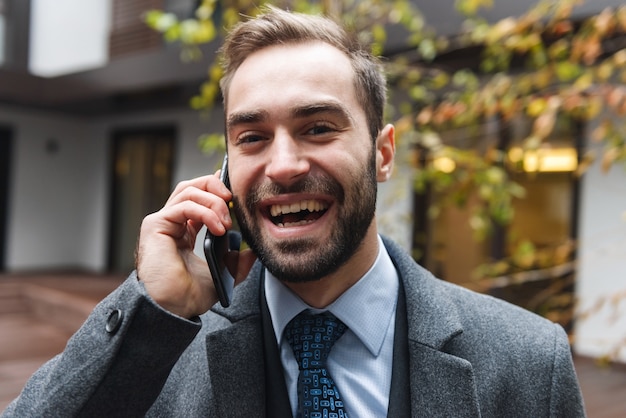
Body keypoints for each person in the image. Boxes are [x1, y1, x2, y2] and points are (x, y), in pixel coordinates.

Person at [3, 6, 585, 417]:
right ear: (226, 172)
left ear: (382, 155)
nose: (282, 165)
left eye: (318, 127)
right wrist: (153, 311)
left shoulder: (528, 362)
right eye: (252, 137)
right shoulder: (161, 348)